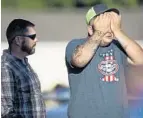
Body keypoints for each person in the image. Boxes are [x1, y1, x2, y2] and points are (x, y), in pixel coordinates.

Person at [65, 4, 143, 118]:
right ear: (90, 29)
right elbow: (79, 60)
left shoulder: (119, 46)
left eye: (110, 24)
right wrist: (99, 32)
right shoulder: (75, 45)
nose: (108, 29)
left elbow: (140, 60)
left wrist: (118, 30)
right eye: (103, 24)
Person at [1, 19, 46, 118]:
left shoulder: (24, 64)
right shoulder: (5, 68)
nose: (36, 40)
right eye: (32, 37)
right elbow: (6, 113)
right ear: (18, 40)